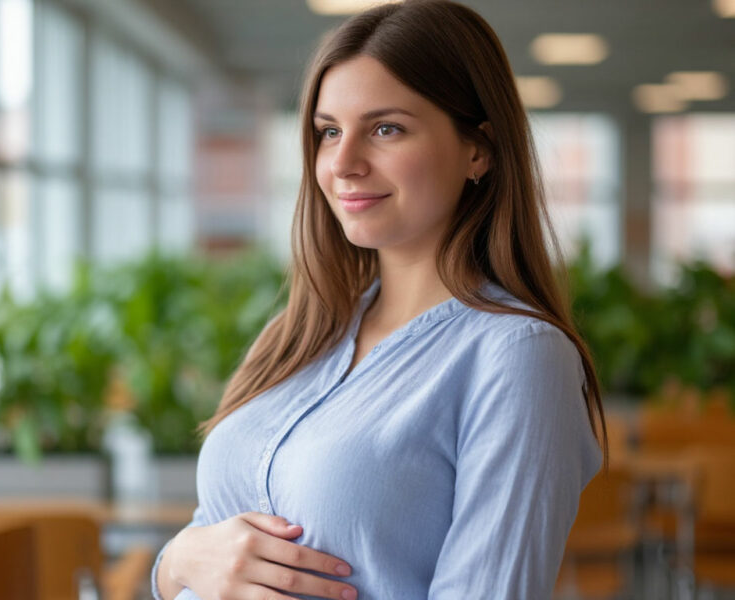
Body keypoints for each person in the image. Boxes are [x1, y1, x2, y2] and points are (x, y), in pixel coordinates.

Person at [152, 1, 606, 598]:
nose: (342, 163)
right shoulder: (296, 333)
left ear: (480, 149)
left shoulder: (518, 357)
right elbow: (208, 536)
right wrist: (178, 561)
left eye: (386, 128)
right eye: (329, 131)